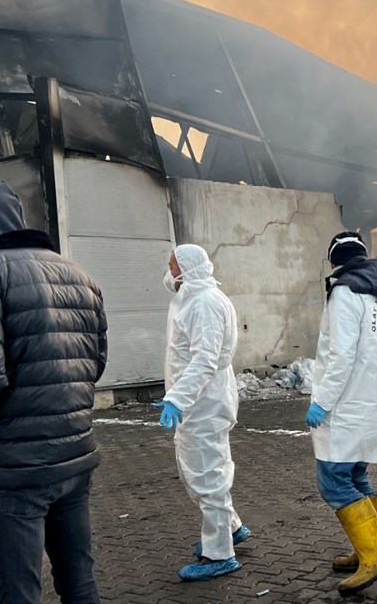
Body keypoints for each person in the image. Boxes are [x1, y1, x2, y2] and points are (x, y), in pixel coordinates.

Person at [0, 181, 108, 604]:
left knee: (18, 588)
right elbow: (95, 363)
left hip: (14, 466)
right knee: (79, 579)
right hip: (73, 454)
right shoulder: (78, 274)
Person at [305, 232, 377, 596]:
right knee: (356, 473)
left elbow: (341, 356)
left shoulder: (345, 292)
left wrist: (323, 403)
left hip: (346, 402)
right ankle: (369, 549)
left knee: (333, 480)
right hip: (372, 397)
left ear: (335, 262)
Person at [155, 244, 251, 581]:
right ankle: (232, 528)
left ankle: (220, 553)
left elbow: (205, 359)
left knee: (207, 475)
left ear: (187, 268)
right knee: (198, 470)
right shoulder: (193, 299)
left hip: (203, 402)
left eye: (172, 265)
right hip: (201, 401)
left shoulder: (205, 303)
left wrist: (177, 398)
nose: (168, 272)